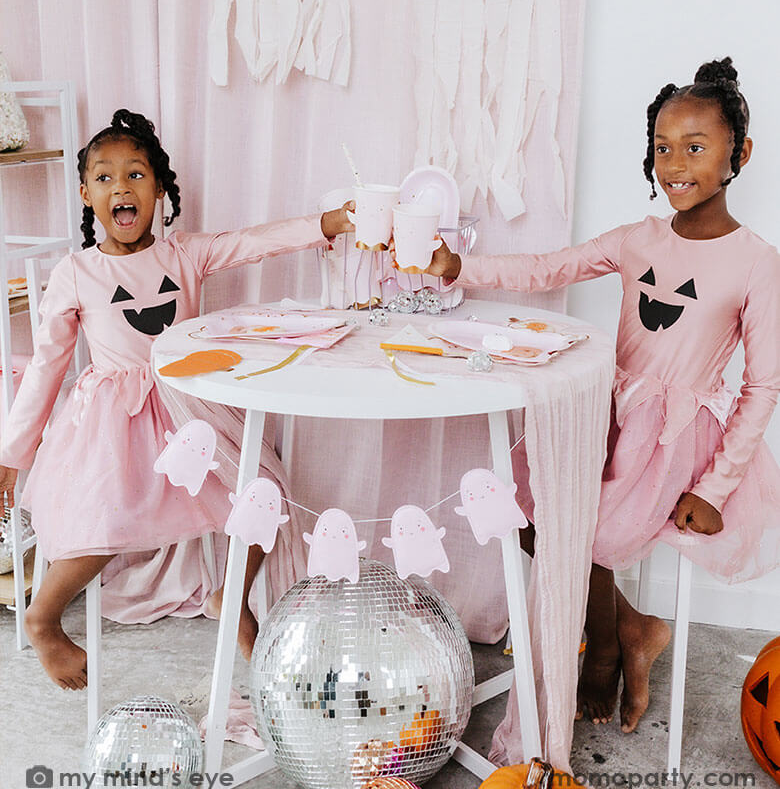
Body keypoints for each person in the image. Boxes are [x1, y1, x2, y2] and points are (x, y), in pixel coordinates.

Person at [425, 57, 780, 732]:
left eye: (696, 147)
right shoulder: (637, 239)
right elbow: (546, 267)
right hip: (605, 412)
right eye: (663, 147)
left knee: (588, 535)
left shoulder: (756, 262)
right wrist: (458, 266)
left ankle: (606, 651)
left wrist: (715, 487)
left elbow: (763, 387)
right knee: (527, 512)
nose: (676, 163)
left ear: (741, 153)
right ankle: (629, 628)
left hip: (673, 437)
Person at [0, 109, 353, 690]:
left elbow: (254, 242)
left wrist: (328, 224)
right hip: (116, 421)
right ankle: (43, 616)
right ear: (88, 195)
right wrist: (15, 452)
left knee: (265, 494)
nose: (122, 187)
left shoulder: (184, 256)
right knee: (105, 523)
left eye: (136, 174)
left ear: (159, 189)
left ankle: (230, 596)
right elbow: (45, 366)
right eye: (106, 177)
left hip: (189, 408)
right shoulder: (76, 272)